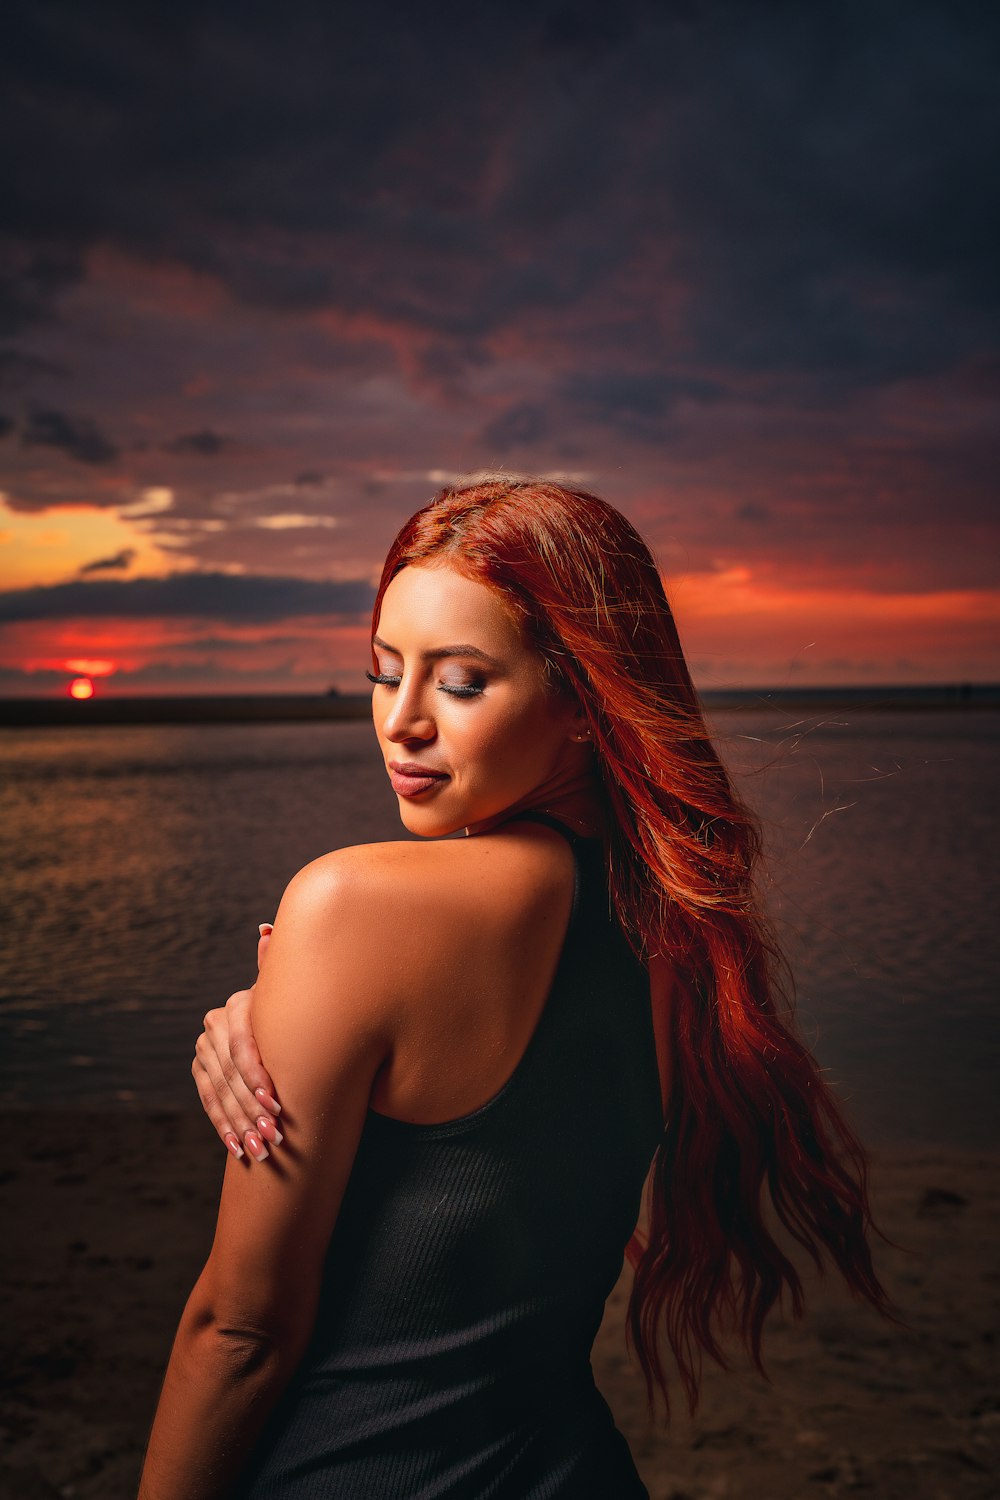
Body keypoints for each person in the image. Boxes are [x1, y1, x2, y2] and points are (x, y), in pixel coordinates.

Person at [138, 477, 889, 1499]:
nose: (399, 724)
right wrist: (276, 1011)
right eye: (381, 672)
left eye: (458, 684)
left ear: (585, 702)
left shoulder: (351, 905)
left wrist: (306, 983)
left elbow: (239, 1331)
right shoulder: (678, 927)